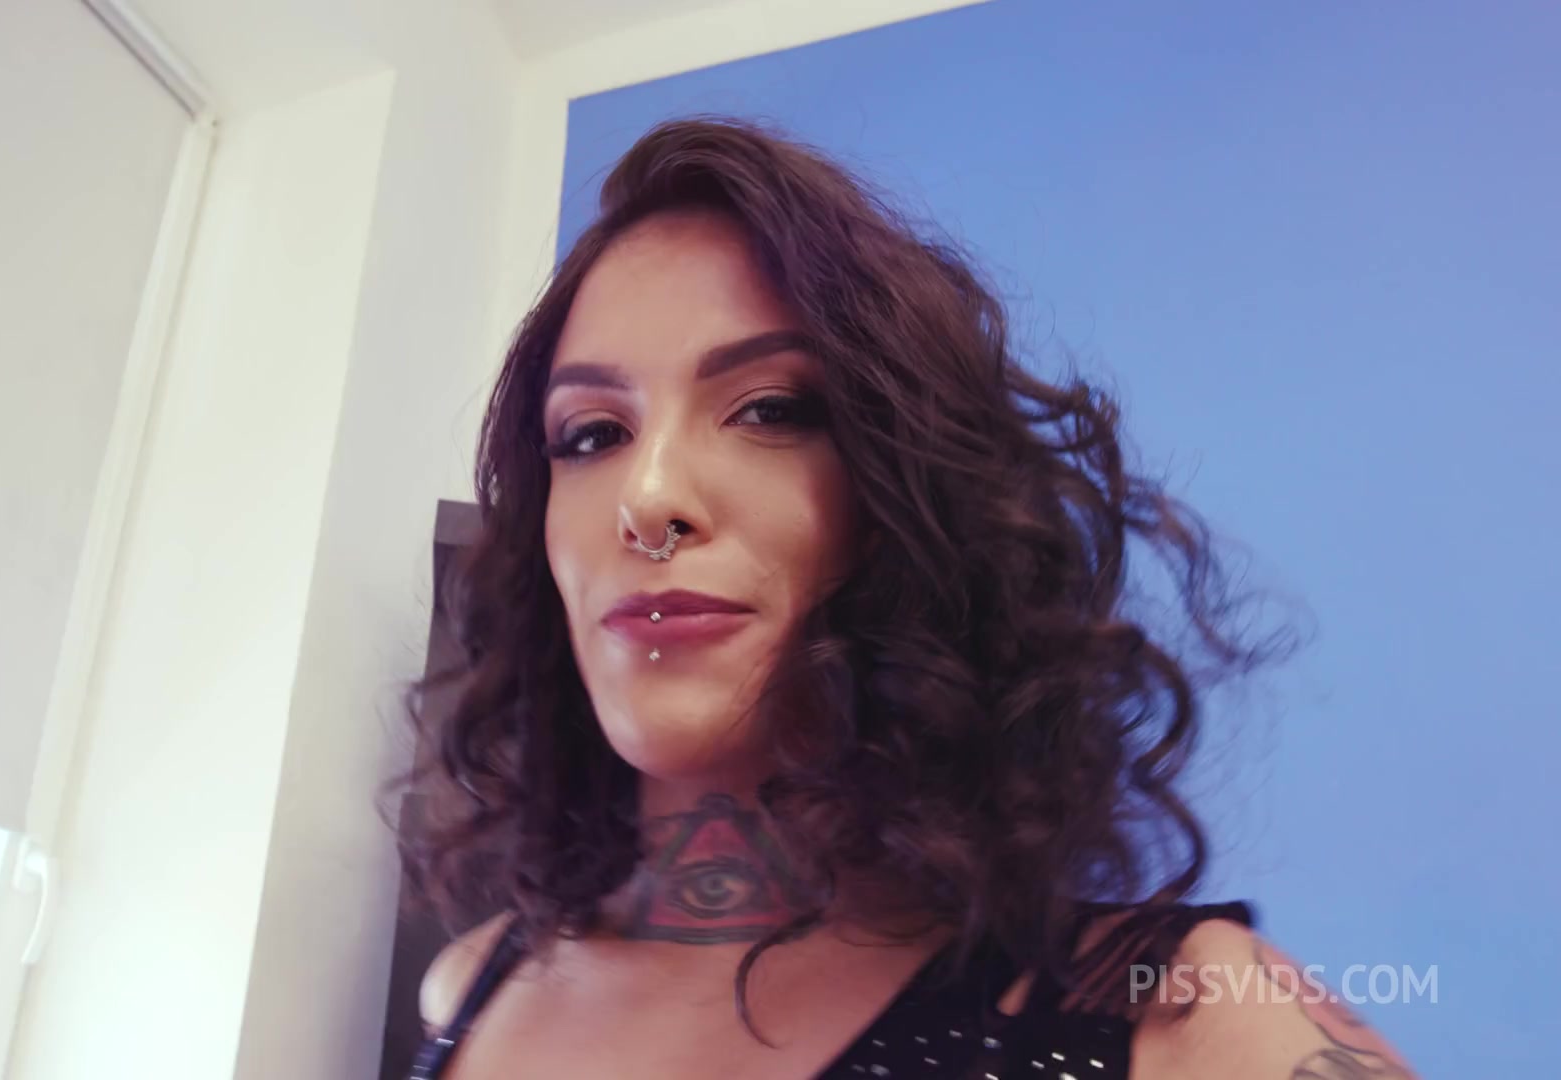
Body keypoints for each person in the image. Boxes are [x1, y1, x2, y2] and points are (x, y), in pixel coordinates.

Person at [395, 118, 1416, 1079]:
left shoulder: (1186, 1013)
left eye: (772, 410)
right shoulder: (471, 985)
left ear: (901, 496)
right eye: (591, 435)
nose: (647, 498)